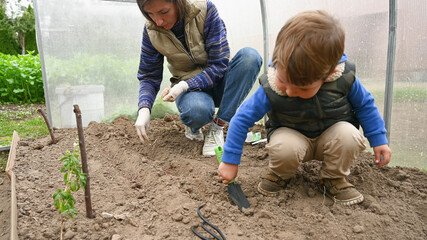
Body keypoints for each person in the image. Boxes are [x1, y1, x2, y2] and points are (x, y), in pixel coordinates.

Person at [217, 10, 392, 206]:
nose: (290, 91)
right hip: (293, 138)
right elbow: (241, 120)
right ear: (277, 62)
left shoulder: (344, 78)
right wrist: (230, 161)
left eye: (302, 87)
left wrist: (379, 140)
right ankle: (280, 174)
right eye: (284, 80)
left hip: (332, 139)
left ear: (329, 73)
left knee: (349, 135)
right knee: (284, 147)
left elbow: (366, 106)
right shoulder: (272, 85)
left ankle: (333, 178)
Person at [134, 0, 262, 156]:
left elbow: (219, 65)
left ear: (178, 3)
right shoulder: (151, 30)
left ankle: (218, 126)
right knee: (197, 112)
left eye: (164, 12)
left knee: (250, 57)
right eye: (150, 14)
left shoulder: (205, 11)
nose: (158, 21)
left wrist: (183, 86)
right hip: (190, 90)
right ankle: (194, 125)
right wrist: (144, 109)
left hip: (218, 81)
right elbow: (149, 75)